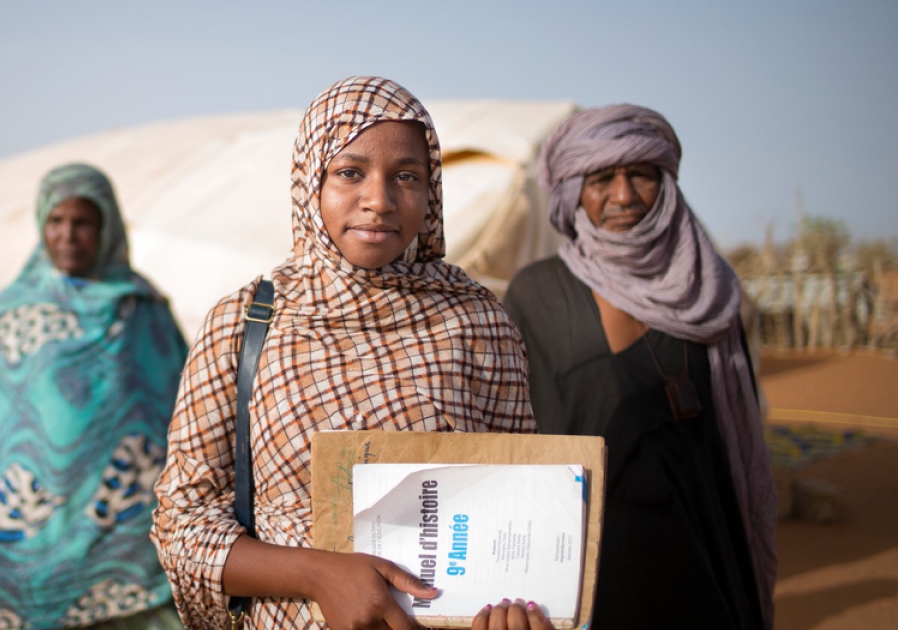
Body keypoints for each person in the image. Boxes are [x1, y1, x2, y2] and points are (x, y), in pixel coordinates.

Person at [151, 76, 551, 630]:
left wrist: (514, 604)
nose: (379, 200)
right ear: (310, 182)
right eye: (350, 173)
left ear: (431, 191)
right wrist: (320, 575)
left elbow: (519, 503)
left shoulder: (478, 320)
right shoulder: (245, 324)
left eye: (406, 177)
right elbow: (182, 526)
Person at [502, 105, 777, 629]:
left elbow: (734, 444)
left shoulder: (709, 290)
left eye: (642, 175)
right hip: (585, 568)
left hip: (703, 555)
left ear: (666, 184)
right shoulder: (537, 294)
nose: (624, 196)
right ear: (572, 192)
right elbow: (517, 442)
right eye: (602, 178)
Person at [0, 163, 188, 630]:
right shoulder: (14, 310)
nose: (68, 235)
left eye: (82, 223)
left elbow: (181, 405)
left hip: (130, 516)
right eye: (56, 222)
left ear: (106, 228)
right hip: (39, 518)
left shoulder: (141, 307)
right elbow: (0, 424)